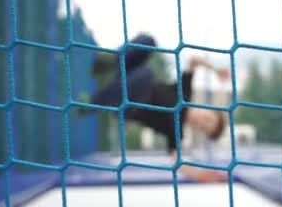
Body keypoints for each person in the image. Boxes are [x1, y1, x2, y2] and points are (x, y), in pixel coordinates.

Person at [80, 33, 230, 182]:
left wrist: (201, 175)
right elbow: (193, 61)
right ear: (207, 109)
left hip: (129, 105)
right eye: (208, 119)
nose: (202, 122)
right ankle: (111, 60)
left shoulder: (176, 131)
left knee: (146, 74)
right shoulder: (185, 92)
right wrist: (216, 70)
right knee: (148, 41)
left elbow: (177, 162)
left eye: (205, 127)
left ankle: (92, 103)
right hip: (130, 80)